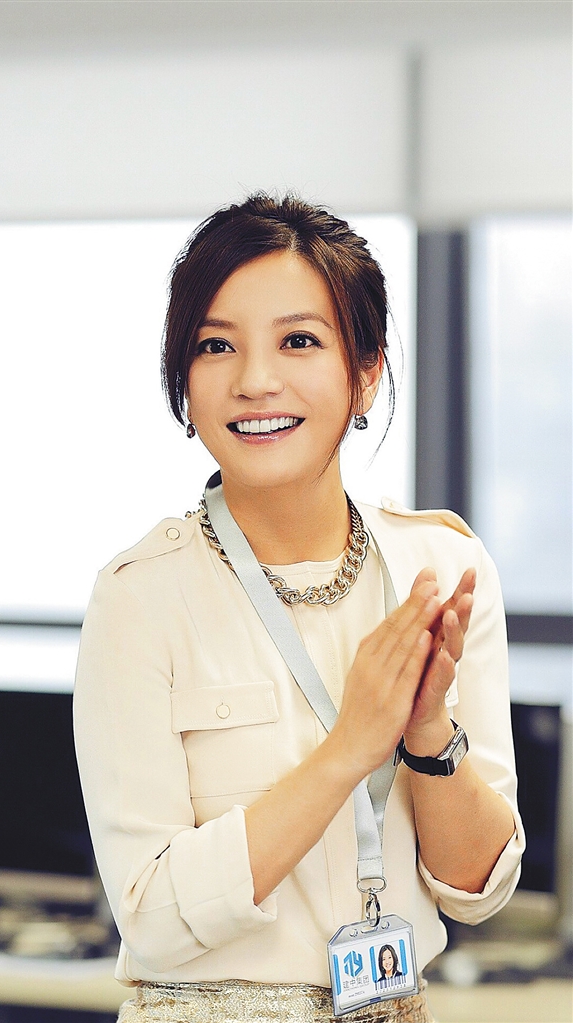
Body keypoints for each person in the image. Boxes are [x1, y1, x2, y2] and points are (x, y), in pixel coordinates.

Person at [74, 194, 525, 1023]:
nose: (254, 380)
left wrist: (427, 732)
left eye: (298, 340)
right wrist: (350, 745)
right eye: (215, 345)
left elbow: (477, 889)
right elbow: (151, 915)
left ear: (366, 370)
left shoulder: (443, 567)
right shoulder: (138, 596)